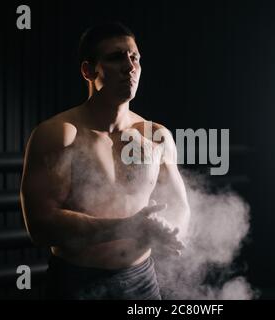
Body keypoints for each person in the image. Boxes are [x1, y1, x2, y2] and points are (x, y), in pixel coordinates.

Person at [20, 22, 191, 300]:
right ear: (89, 70)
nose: (129, 67)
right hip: (77, 282)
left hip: (141, 281)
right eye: (115, 57)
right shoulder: (59, 135)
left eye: (134, 57)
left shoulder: (156, 136)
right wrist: (125, 227)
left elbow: (180, 206)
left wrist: (172, 233)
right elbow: (40, 226)